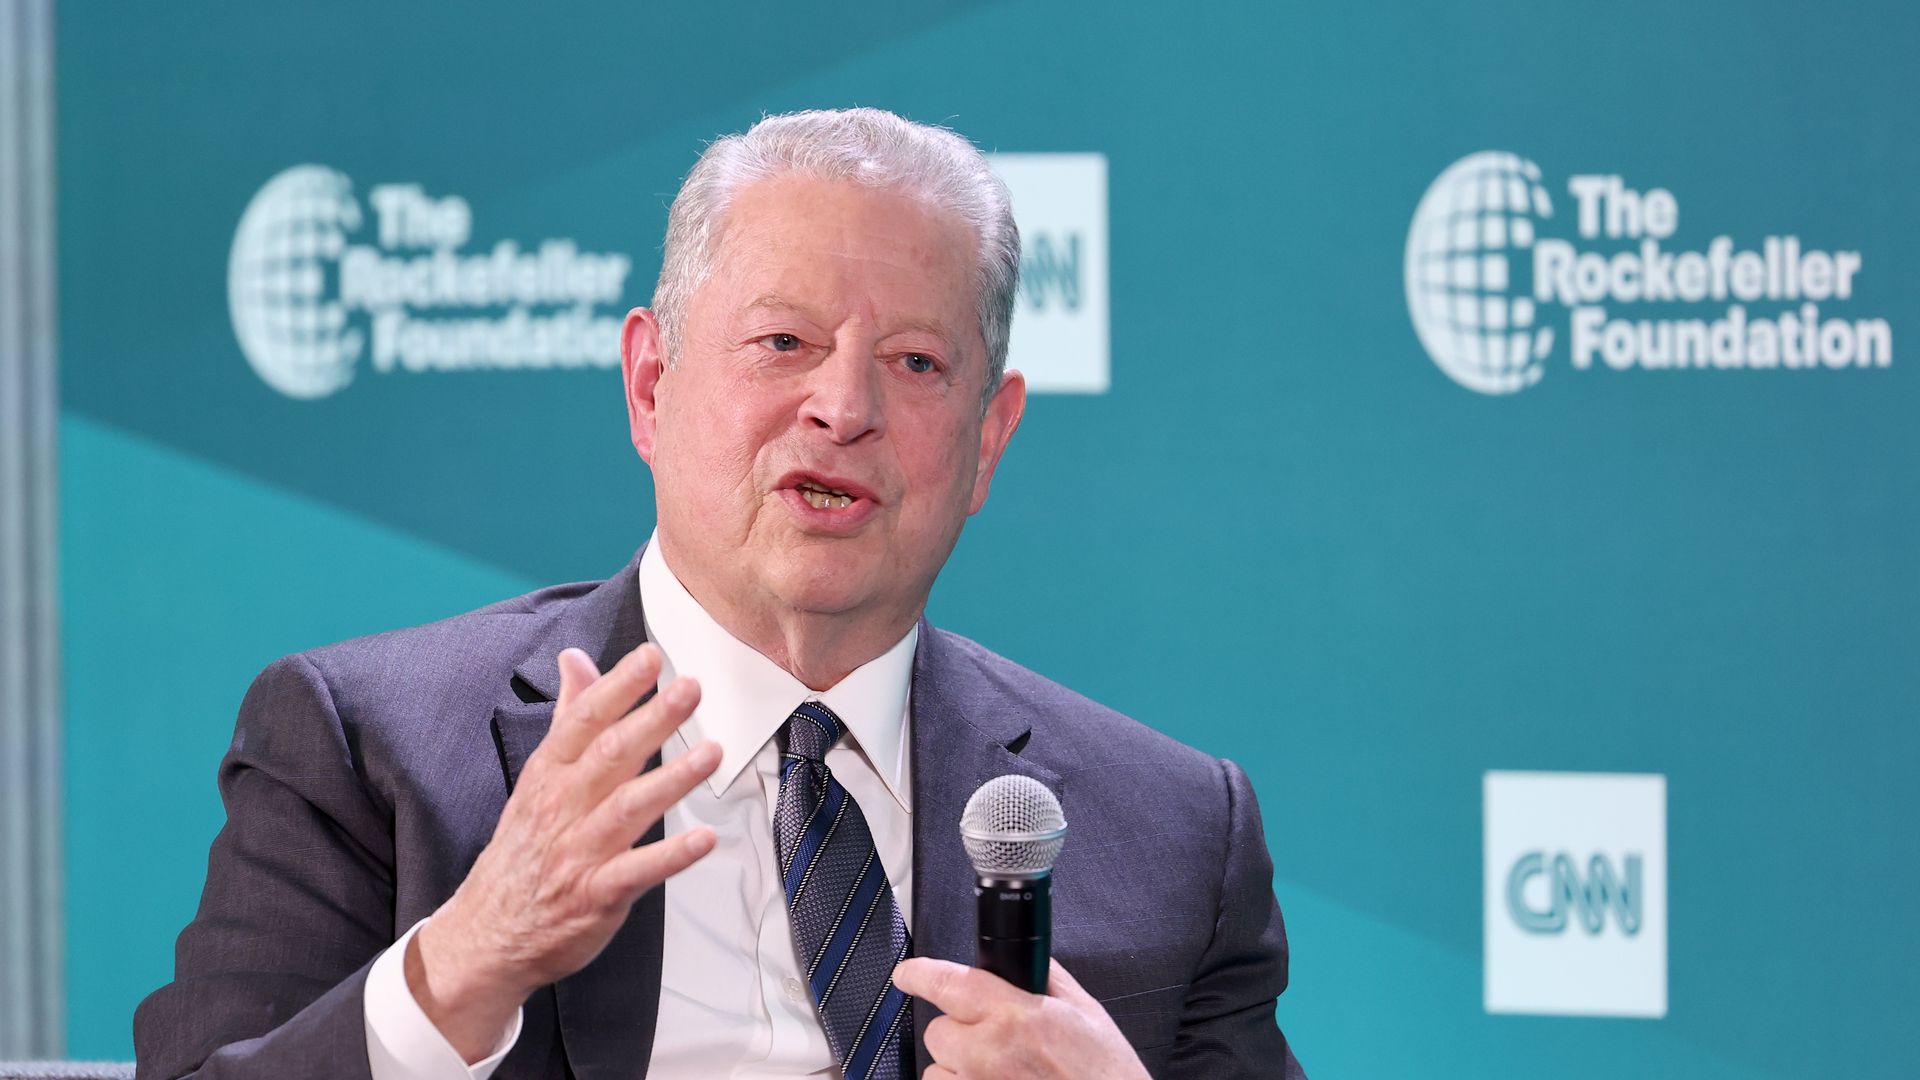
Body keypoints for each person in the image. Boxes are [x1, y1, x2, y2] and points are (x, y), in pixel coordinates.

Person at [134, 108, 1306, 1080]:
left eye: (914, 363)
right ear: (650, 386)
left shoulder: (1177, 833)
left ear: (989, 441)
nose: (843, 408)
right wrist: (464, 966)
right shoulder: (370, 753)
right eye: (784, 341)